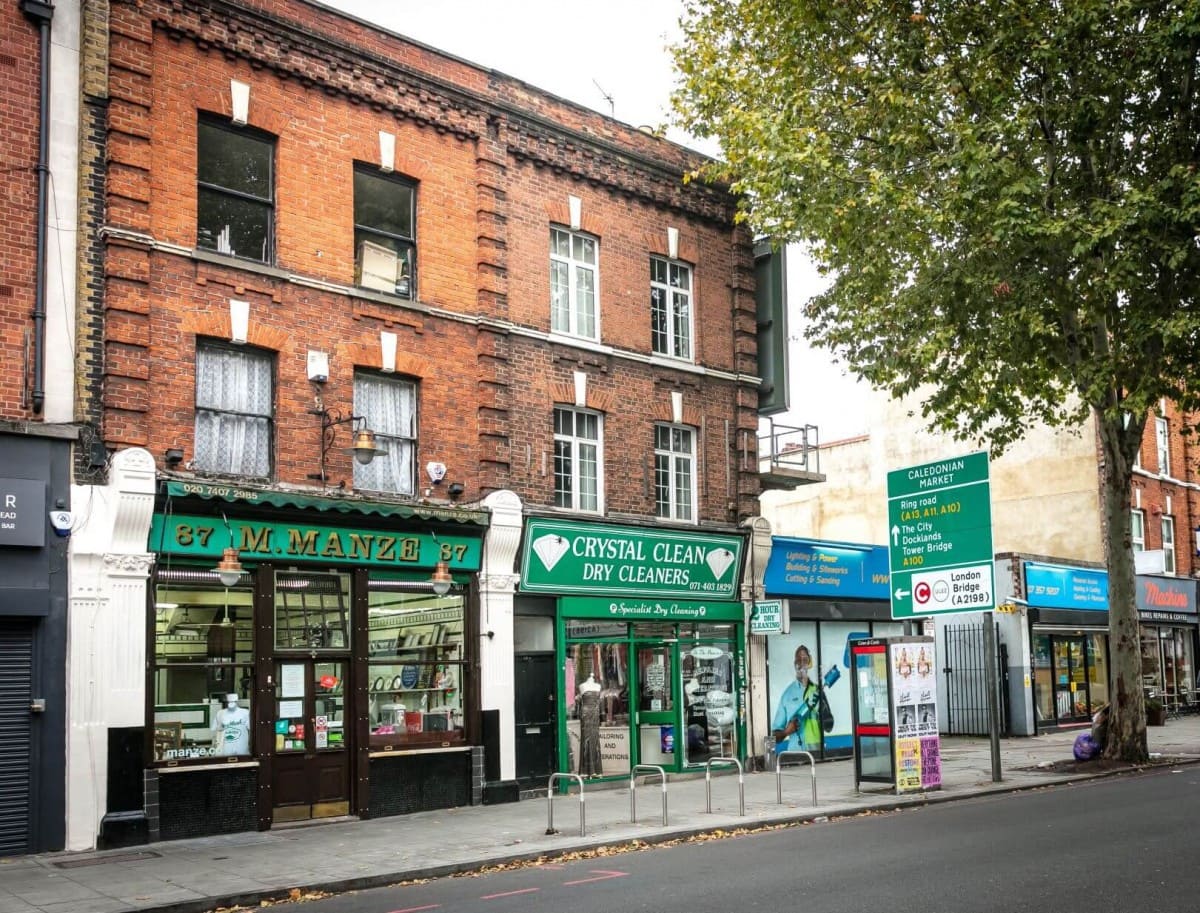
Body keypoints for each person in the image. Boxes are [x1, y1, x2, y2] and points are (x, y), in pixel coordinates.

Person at [772, 644, 821, 752]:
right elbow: (775, 736)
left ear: (809, 664)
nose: (802, 663)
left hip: (817, 754)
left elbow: (829, 725)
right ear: (795, 664)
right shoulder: (787, 695)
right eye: (798, 660)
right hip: (795, 754)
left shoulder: (818, 691)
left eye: (805, 659)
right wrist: (786, 732)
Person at [577, 674, 603, 776]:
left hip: (595, 715)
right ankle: (586, 770)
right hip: (586, 715)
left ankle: (596, 770)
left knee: (595, 740)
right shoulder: (582, 686)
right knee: (586, 739)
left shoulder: (598, 686)